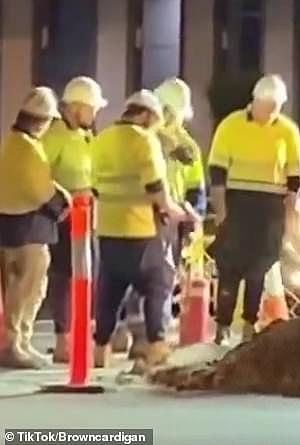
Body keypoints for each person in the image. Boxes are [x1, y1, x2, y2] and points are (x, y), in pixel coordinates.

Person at [91, 89, 196, 368]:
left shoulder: (101, 139)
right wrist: (175, 211)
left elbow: (94, 186)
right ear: (147, 115)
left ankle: (100, 348)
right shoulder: (144, 141)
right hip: (142, 230)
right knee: (158, 284)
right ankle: (157, 346)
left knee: (110, 290)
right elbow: (155, 188)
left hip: (108, 227)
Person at [111, 78, 206, 358]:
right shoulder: (142, 139)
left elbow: (195, 186)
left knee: (157, 280)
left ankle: (143, 336)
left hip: (170, 218)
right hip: (145, 214)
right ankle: (136, 335)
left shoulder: (186, 146)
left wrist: (193, 215)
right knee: (143, 278)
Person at [208, 74, 300, 345]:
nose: (270, 113)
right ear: (255, 101)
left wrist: (290, 210)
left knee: (259, 267)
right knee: (230, 267)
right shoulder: (231, 126)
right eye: (266, 106)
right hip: (238, 202)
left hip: (269, 206)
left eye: (275, 107)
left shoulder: (287, 131)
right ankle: (223, 326)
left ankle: (251, 323)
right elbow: (217, 171)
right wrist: (222, 212)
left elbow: (295, 174)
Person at [0, 87, 71, 368]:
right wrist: (63, 204)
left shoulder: (12, 144)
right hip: (29, 230)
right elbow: (42, 191)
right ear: (42, 121)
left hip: (9, 227)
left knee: (15, 288)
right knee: (29, 288)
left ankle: (17, 343)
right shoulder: (29, 150)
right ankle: (17, 345)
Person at [42, 76, 108, 363]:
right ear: (78, 107)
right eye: (92, 108)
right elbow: (40, 175)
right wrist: (62, 204)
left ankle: (80, 336)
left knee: (85, 276)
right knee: (64, 277)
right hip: (63, 218)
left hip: (87, 215)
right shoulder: (54, 136)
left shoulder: (85, 136)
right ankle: (63, 340)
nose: (95, 114)